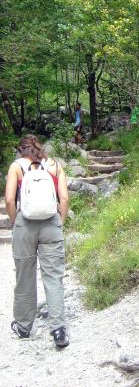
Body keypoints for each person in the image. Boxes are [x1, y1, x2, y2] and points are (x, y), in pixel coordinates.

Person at [5, 134, 70, 348]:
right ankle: (58, 329)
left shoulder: (17, 166)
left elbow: (9, 199)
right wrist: (59, 221)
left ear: (21, 149)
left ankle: (24, 327)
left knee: (25, 275)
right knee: (54, 276)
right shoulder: (55, 166)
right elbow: (64, 198)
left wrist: (17, 223)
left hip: (26, 224)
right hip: (51, 223)